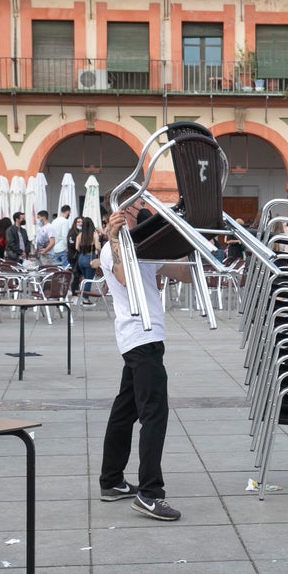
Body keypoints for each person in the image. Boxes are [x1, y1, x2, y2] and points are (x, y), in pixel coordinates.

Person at [97, 206, 193, 521]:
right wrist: (113, 237)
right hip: (140, 337)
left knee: (126, 410)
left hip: (146, 338)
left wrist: (184, 239)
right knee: (154, 413)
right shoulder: (114, 248)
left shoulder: (143, 248)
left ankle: (111, 481)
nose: (143, 215)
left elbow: (184, 274)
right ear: (120, 214)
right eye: (136, 210)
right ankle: (150, 493)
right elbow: (124, 279)